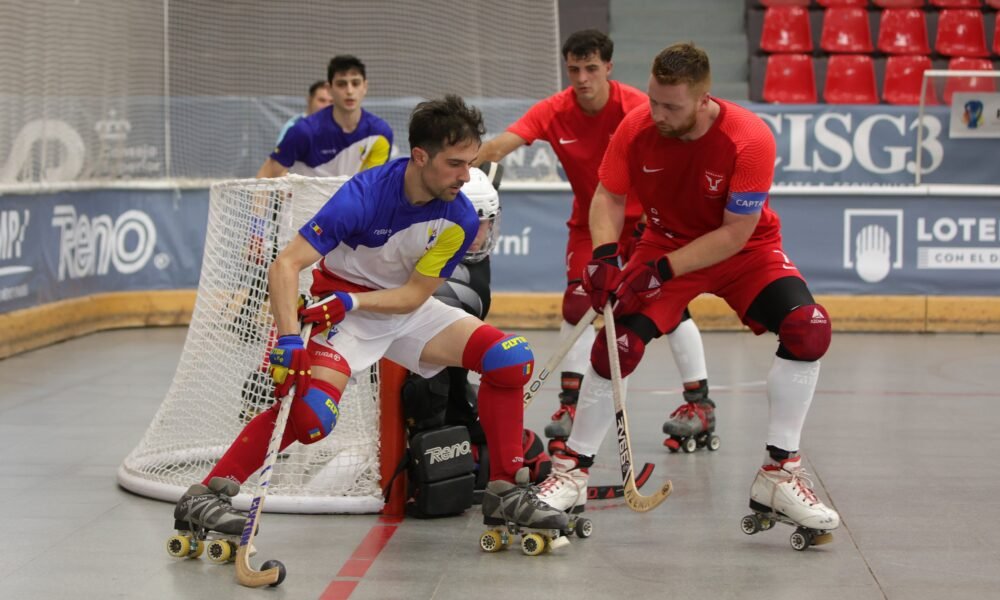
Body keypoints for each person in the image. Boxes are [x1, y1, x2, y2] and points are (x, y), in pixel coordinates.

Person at [172, 95, 567, 539]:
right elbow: (285, 266)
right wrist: (288, 341)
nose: (466, 175)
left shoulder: (458, 215)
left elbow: (415, 294)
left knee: (509, 358)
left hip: (396, 309)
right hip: (339, 315)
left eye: (471, 163)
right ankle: (205, 496)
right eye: (456, 163)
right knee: (311, 418)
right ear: (420, 156)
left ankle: (505, 492)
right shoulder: (361, 197)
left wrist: (356, 302)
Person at [535, 42, 840, 537]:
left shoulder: (749, 139)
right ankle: (572, 474)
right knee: (616, 345)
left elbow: (735, 233)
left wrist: (660, 270)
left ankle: (779, 473)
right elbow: (608, 195)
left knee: (808, 328)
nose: (655, 114)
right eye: (653, 100)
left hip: (745, 251)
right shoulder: (636, 127)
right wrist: (606, 255)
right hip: (665, 240)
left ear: (703, 99)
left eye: (670, 106)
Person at [474, 29, 714, 455]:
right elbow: (499, 146)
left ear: (608, 67)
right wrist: (455, 167)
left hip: (648, 223)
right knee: (577, 303)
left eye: (590, 68)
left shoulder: (640, 108)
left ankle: (699, 404)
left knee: (667, 306)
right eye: (573, 70)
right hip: (593, 222)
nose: (581, 78)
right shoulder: (554, 110)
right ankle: (570, 406)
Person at [257, 55, 393, 178]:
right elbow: (266, 176)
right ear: (329, 89)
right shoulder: (303, 131)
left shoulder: (380, 134)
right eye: (341, 84)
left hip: (350, 205)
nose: (350, 91)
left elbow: (373, 185)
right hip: (306, 205)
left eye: (355, 83)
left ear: (365, 86)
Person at [275, 80, 333, 145]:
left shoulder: (337, 127)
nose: (327, 105)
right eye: (322, 100)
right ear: (309, 100)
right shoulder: (294, 126)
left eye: (331, 102)